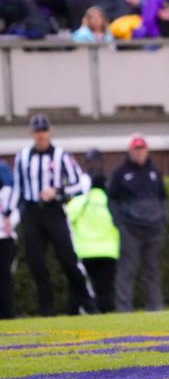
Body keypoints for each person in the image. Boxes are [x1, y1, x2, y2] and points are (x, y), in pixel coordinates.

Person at [12, 114, 96, 316]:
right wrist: (14, 215)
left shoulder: (61, 156)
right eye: (37, 131)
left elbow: (79, 183)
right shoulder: (22, 157)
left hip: (54, 210)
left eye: (43, 130)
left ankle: (87, 303)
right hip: (31, 211)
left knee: (68, 258)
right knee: (36, 262)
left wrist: (57, 191)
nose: (41, 135)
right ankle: (46, 309)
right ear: (32, 133)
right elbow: (18, 188)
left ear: (50, 131)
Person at [109, 134, 168, 312]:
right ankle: (124, 308)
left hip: (153, 227)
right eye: (136, 149)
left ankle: (155, 307)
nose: (140, 153)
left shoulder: (154, 171)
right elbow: (112, 199)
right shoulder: (121, 172)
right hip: (130, 228)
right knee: (127, 269)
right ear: (130, 151)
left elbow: (163, 197)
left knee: (152, 269)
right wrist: (119, 222)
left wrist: (163, 219)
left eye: (142, 149)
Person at [65, 151, 120, 313]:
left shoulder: (83, 199)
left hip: (86, 250)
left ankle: (76, 315)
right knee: (105, 291)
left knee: (79, 289)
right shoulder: (107, 199)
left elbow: (67, 216)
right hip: (106, 250)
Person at [0, 172, 18, 318]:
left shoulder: (8, 192)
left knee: (5, 276)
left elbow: (14, 213)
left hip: (5, 240)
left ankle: (8, 313)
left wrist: (10, 221)